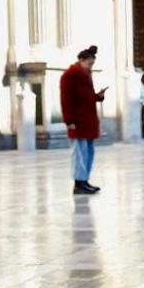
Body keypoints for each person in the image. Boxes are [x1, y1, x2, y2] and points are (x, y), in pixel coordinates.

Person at [60, 45, 106, 195]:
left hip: (88, 120)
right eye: (89, 63)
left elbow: (86, 97)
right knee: (79, 152)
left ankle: (84, 180)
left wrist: (98, 96)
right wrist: (69, 120)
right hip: (77, 121)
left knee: (88, 153)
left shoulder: (85, 74)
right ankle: (78, 183)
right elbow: (66, 99)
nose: (91, 66)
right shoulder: (70, 75)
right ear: (81, 60)